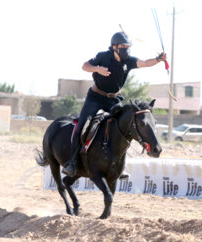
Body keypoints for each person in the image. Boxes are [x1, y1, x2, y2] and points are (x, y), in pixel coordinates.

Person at [62, 31, 167, 177]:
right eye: (123, 46)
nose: (126, 49)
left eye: (128, 46)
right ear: (114, 47)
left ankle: (119, 165)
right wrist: (97, 68)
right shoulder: (103, 56)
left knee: (122, 127)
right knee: (82, 126)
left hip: (114, 100)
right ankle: (72, 163)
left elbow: (144, 63)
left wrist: (158, 59)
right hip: (95, 98)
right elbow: (85, 66)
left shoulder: (128, 61)